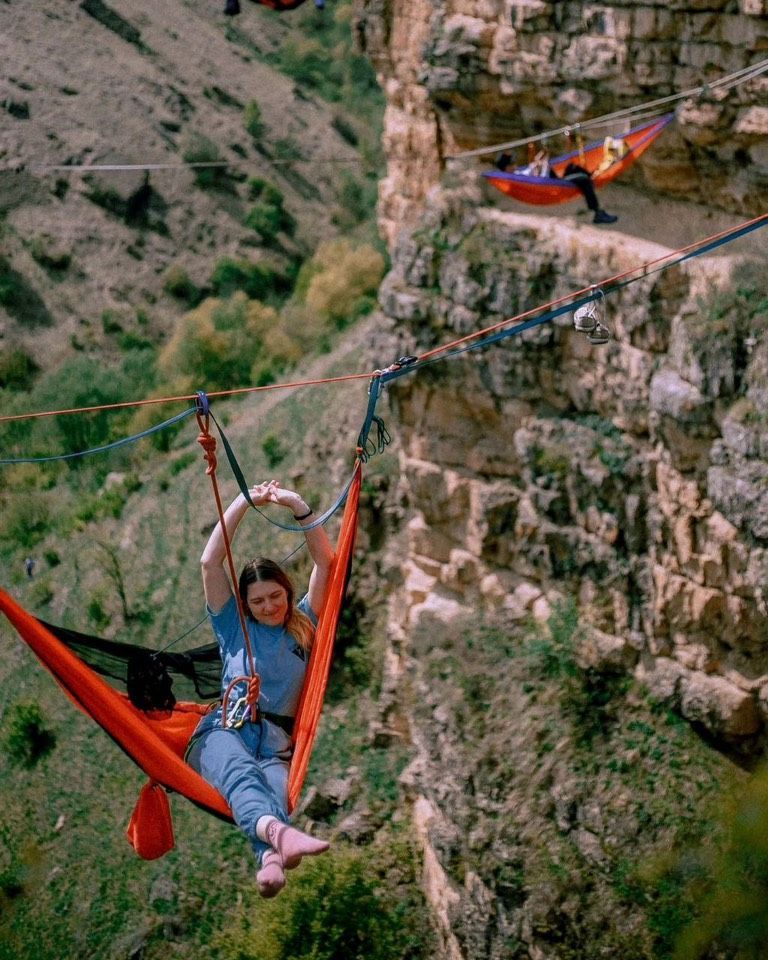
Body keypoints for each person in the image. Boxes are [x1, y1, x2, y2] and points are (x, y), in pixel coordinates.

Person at [187, 479, 335, 898]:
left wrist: (298, 505)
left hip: (275, 745)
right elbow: (210, 564)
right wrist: (242, 502)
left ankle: (268, 857)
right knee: (238, 775)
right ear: (245, 605)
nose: (269, 607)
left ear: (287, 593)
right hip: (222, 732)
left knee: (274, 792)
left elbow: (325, 564)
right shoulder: (233, 627)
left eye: (275, 596)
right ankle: (278, 838)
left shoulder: (303, 625)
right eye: (258, 602)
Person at [495, 147, 618, 225]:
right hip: (553, 183)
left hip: (553, 179)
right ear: (507, 167)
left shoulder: (517, 174)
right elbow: (538, 180)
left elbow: (532, 171)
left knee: (572, 167)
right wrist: (542, 165)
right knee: (584, 179)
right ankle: (597, 213)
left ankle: (593, 179)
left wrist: (540, 161)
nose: (515, 165)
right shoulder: (516, 178)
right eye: (512, 163)